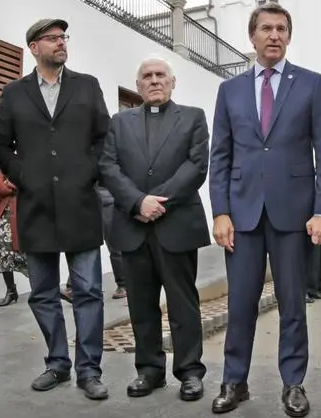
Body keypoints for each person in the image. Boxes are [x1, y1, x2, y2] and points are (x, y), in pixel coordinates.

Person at [208, 3, 321, 417]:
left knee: (292, 303)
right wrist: (220, 211)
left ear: (289, 36)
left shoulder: (312, 85)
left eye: (282, 29)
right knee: (240, 304)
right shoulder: (230, 90)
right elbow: (220, 156)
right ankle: (234, 381)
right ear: (252, 36)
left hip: (294, 214)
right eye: (266, 28)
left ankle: (293, 384)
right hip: (242, 215)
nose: (274, 35)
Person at [0, 19, 111, 401]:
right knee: (43, 292)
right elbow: (2, 146)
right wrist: (23, 176)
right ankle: (57, 362)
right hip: (36, 207)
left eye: (63, 38)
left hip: (80, 205)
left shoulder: (87, 85)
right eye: (52, 38)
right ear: (33, 47)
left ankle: (89, 370)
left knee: (89, 290)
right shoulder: (14, 93)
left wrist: (87, 173)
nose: (61, 43)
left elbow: (103, 138)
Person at [100, 57, 211, 402]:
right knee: (141, 306)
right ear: (138, 84)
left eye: (160, 75)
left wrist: (157, 202)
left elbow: (196, 166)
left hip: (175, 223)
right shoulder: (119, 122)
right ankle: (149, 370)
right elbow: (108, 166)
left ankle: (190, 372)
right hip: (133, 226)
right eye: (146, 76)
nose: (154, 80)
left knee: (183, 304)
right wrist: (137, 202)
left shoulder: (192, 117)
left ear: (173, 81)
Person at [0, 169, 25, 307]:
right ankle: (11, 291)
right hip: (4, 217)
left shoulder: (28, 162)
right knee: (3, 253)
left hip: (23, 216)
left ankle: (41, 289)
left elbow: (28, 185)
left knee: (30, 254)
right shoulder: (6, 167)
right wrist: (15, 185)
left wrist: (10, 183)